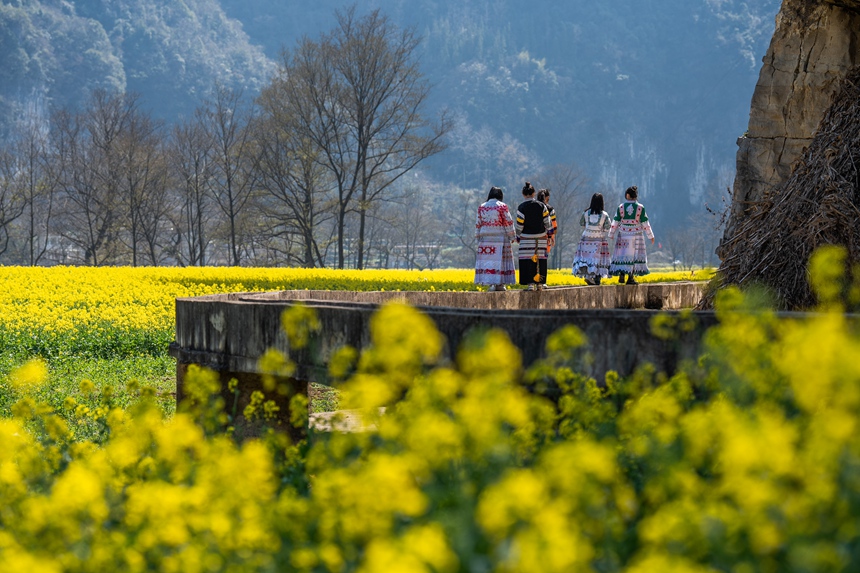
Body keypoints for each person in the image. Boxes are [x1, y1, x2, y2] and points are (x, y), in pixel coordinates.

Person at [609, 185, 655, 285]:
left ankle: (622, 273)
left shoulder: (621, 207)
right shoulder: (640, 208)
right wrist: (650, 235)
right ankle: (630, 278)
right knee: (634, 256)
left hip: (623, 234)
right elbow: (645, 223)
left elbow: (615, 221)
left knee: (622, 254)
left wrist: (611, 233)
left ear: (628, 195)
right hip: (636, 235)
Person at [474, 186, 517, 291]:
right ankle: (500, 284)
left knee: (488, 261)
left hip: (485, 239)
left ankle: (490, 284)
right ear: (500, 196)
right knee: (500, 261)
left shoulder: (482, 207)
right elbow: (508, 222)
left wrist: (477, 237)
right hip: (500, 238)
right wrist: (512, 236)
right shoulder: (502, 206)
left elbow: (478, 223)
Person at [516, 181, 554, 291]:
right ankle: (540, 284)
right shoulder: (542, 206)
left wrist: (518, 236)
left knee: (527, 260)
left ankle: (530, 285)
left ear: (523, 194)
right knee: (540, 261)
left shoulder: (521, 207)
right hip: (541, 239)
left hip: (526, 239)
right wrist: (550, 234)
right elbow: (548, 223)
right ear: (534, 193)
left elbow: (519, 225)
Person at [572, 192, 611, 285]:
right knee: (598, 258)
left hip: (586, 238)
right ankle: (597, 278)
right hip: (599, 238)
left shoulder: (586, 213)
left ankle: (588, 276)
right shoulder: (604, 215)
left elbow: (581, 223)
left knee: (587, 258)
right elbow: (607, 226)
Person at [537, 188, 558, 258]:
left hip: (533, 238)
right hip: (546, 238)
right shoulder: (550, 209)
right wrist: (552, 238)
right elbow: (553, 225)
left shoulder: (533, 207)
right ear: (547, 198)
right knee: (543, 259)